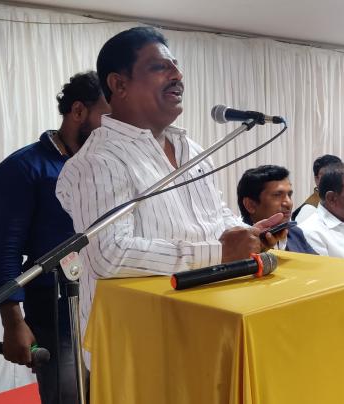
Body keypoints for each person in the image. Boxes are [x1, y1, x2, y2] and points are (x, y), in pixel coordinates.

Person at [56, 27, 282, 365]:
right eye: (160, 67)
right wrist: (218, 252)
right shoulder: (98, 161)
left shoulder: (189, 148)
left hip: (206, 326)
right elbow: (109, 254)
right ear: (119, 85)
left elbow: (214, 217)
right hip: (141, 349)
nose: (178, 75)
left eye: (176, 65)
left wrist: (248, 233)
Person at [0, 71, 110, 404]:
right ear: (78, 112)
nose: (115, 128)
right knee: (69, 397)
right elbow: (5, 251)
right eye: (107, 117)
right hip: (56, 314)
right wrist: (13, 322)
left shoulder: (106, 167)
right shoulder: (23, 168)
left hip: (110, 305)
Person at [237, 165, 317, 254]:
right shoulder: (237, 245)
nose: (288, 203)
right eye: (277, 195)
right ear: (250, 205)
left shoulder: (295, 233)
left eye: (289, 195)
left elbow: (320, 265)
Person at [292, 154, 341, 223]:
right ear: (317, 179)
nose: (332, 179)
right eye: (327, 176)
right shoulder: (310, 210)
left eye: (337, 175)